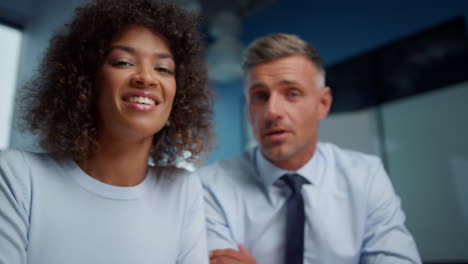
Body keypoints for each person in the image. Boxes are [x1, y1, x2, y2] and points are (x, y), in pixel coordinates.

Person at [0, 0, 212, 263]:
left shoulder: (182, 189)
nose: (146, 77)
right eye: (123, 62)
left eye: (163, 69)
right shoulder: (17, 177)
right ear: (87, 84)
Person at [200, 33, 421, 264]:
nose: (272, 111)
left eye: (292, 93)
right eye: (260, 96)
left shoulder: (365, 176)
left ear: (322, 104)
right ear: (248, 109)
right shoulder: (210, 186)